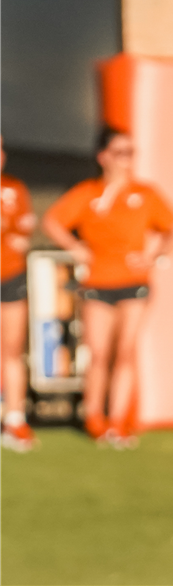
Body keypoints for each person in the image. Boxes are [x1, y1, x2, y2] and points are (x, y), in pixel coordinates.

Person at [42, 127, 173, 448]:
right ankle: (95, 418)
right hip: (96, 281)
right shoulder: (89, 193)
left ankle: (118, 421)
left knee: (125, 352)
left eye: (131, 152)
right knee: (99, 352)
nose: (127, 160)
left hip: (133, 282)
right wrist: (75, 248)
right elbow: (53, 220)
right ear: (103, 157)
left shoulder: (145, 194)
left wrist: (155, 257)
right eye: (120, 153)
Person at [0, 134, 38, 452]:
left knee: (11, 349)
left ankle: (14, 419)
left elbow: (23, 232)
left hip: (9, 275)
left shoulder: (14, 189)